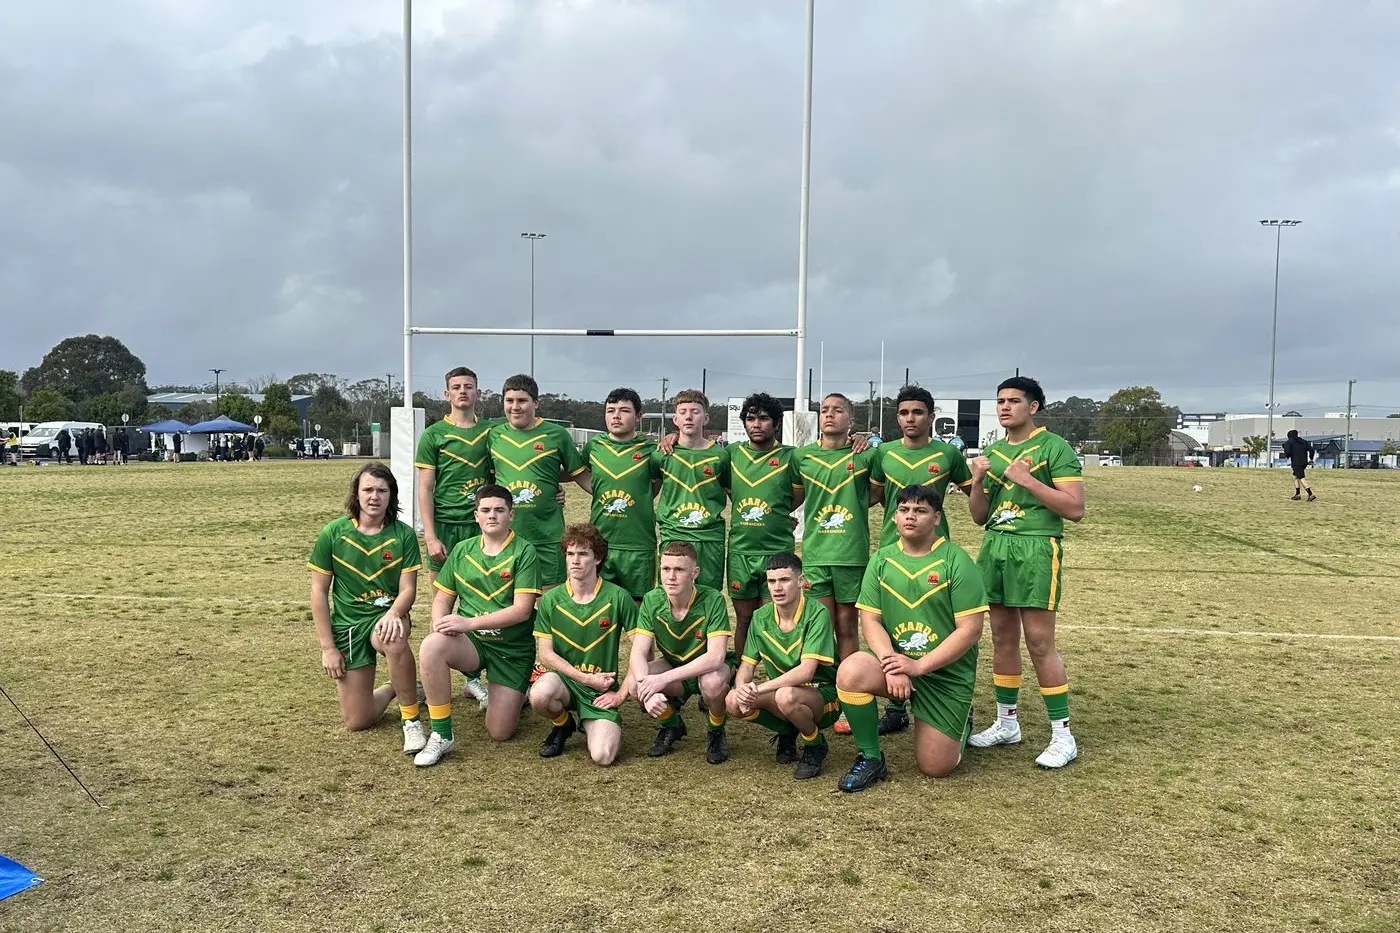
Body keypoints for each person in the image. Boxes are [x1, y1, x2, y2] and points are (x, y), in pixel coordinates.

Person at [834, 485, 987, 792]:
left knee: (935, 768)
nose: (910, 517)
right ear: (894, 517)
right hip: (898, 669)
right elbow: (871, 620)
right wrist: (895, 667)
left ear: (937, 518)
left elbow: (970, 630)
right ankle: (871, 758)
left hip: (944, 677)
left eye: (921, 511)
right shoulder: (881, 560)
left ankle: (961, 722)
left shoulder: (956, 561)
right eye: (904, 510)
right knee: (851, 670)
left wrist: (917, 667)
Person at [967, 376, 1086, 769]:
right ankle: (1007, 723)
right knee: (1002, 639)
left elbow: (1074, 509)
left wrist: (1028, 481)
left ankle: (1062, 734)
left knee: (1039, 643)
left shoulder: (1055, 447)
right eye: (1000, 401)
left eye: (1014, 401)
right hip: (995, 546)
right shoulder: (993, 450)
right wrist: (979, 482)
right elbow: (980, 517)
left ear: (1032, 407)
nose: (1005, 407)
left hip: (1036, 548)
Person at [865, 384, 974, 736]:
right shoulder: (883, 454)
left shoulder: (948, 455)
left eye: (917, 412)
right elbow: (873, 496)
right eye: (903, 413)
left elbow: (976, 494)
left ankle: (956, 701)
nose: (910, 418)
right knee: (894, 627)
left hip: (935, 554)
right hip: (891, 550)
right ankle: (897, 707)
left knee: (937, 628)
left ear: (930, 416)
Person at [413, 484, 542, 767]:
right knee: (432, 645)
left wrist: (468, 621)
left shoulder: (525, 551)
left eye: (499, 510)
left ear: (511, 514)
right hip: (473, 643)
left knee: (499, 732)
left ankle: (515, 694)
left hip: (511, 648)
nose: (492, 515)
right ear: (476, 515)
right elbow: (442, 598)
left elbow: (522, 611)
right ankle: (441, 734)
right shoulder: (462, 550)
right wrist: (439, 623)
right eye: (485, 510)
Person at [307, 462, 426, 755]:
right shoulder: (333, 533)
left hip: (386, 616)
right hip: (348, 626)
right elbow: (319, 593)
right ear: (356, 494)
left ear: (391, 495)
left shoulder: (403, 535)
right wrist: (328, 648)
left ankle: (410, 720)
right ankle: (395, 688)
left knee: (393, 636)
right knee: (357, 721)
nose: (375, 496)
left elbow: (408, 589)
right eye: (368, 489)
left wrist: (394, 613)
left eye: (382, 490)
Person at [790, 393, 880, 733]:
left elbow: (873, 495)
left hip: (851, 555)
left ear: (850, 420)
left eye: (838, 410)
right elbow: (793, 497)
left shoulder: (866, 454)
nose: (830, 415)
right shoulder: (803, 457)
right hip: (815, 554)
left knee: (847, 627)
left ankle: (848, 698)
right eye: (824, 410)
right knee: (819, 628)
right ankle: (819, 694)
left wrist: (867, 440)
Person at [529, 524, 637, 765]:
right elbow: (545, 654)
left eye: (583, 554)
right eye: (570, 554)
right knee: (539, 694)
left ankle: (591, 721)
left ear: (597, 558)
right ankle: (562, 724)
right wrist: (584, 678)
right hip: (565, 681)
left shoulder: (618, 597)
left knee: (603, 756)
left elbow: (642, 651)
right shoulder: (550, 599)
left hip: (600, 691)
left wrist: (620, 696)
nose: (575, 561)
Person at [726, 552, 840, 780]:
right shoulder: (760, 617)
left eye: (784, 580)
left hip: (822, 695)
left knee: (785, 696)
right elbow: (747, 666)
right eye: (771, 581)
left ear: (800, 581)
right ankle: (786, 730)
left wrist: (759, 689)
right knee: (733, 702)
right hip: (780, 692)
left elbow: (806, 671)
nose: (777, 587)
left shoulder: (817, 613)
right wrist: (742, 688)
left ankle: (815, 744)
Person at [628, 542, 734, 763]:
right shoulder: (652, 599)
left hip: (705, 669)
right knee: (634, 685)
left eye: (679, 569)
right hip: (674, 665)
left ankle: (715, 730)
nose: (671, 577)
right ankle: (672, 726)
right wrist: (646, 686)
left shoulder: (712, 599)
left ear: (694, 573)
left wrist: (662, 680)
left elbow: (715, 657)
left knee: (713, 684)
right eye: (666, 569)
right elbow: (638, 652)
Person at [488, 374, 590, 589]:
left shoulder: (557, 434)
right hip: (507, 536)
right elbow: (489, 478)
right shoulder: (493, 436)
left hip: (547, 536)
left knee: (548, 601)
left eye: (522, 401)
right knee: (507, 601)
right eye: (509, 401)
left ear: (535, 403)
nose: (515, 407)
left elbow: (578, 473)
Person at [724, 392, 802, 660]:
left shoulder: (792, 457)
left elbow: (797, 495)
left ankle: (777, 679)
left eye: (764, 419)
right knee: (744, 620)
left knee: (778, 618)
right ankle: (741, 679)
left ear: (777, 423)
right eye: (751, 418)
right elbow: (727, 486)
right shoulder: (731, 454)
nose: (756, 424)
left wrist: (776, 512)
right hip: (741, 552)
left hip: (777, 550)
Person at [416, 367, 497, 580]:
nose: (462, 391)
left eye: (468, 387)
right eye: (456, 387)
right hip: (446, 524)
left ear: (478, 393)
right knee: (442, 597)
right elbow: (425, 488)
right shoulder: (432, 434)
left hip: (482, 522)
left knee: (484, 593)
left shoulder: (493, 432)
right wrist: (431, 537)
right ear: (447, 394)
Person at [583, 387, 662, 601]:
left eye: (624, 410)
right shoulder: (593, 446)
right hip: (601, 542)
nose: (616, 416)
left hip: (638, 545)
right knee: (601, 610)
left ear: (638, 416)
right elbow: (577, 474)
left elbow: (655, 486)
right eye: (610, 410)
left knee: (639, 615)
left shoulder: (652, 450)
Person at [652, 389, 730, 592]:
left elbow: (736, 495)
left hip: (709, 538)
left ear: (706, 418)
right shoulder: (662, 455)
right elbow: (648, 490)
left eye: (695, 411)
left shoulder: (721, 456)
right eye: (683, 411)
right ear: (675, 419)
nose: (688, 416)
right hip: (674, 534)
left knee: (708, 596)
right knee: (672, 596)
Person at [1282, 430, 1316, 501]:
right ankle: (1297, 494)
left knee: (1301, 477)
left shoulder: (1289, 442)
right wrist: (1311, 458)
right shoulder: (1304, 441)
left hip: (1296, 462)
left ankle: (1310, 494)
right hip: (1304, 462)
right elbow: (1312, 450)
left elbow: (1287, 452)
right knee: (1296, 477)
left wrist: (1287, 452)